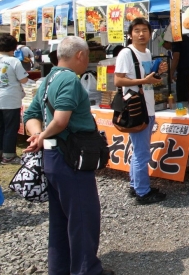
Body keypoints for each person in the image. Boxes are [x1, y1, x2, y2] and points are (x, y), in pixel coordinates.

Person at [23, 37, 114, 275]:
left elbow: (30, 115)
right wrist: (42, 136)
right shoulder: (69, 80)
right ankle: (86, 270)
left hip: (53, 158)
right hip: (70, 157)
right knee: (84, 217)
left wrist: (37, 135)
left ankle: (60, 268)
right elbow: (61, 120)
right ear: (80, 55)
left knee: (61, 218)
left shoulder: (48, 79)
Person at [115, 18, 168, 204]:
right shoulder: (126, 53)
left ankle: (135, 185)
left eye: (144, 30)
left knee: (139, 150)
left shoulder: (146, 52)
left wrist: (158, 72)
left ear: (149, 33)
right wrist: (144, 81)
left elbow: (148, 79)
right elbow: (118, 81)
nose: (141, 34)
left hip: (148, 107)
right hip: (136, 109)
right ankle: (143, 193)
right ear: (130, 34)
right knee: (141, 153)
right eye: (136, 30)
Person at [0, 34, 29, 165]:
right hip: (10, 99)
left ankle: (2, 153)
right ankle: (9, 156)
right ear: (13, 47)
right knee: (10, 127)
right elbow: (23, 79)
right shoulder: (14, 61)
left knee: (1, 127)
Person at [161, 27, 189, 102]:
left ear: (168, 41)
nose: (164, 47)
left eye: (164, 45)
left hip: (184, 74)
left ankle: (183, 111)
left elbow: (176, 57)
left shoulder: (177, 41)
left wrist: (170, 73)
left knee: (182, 97)